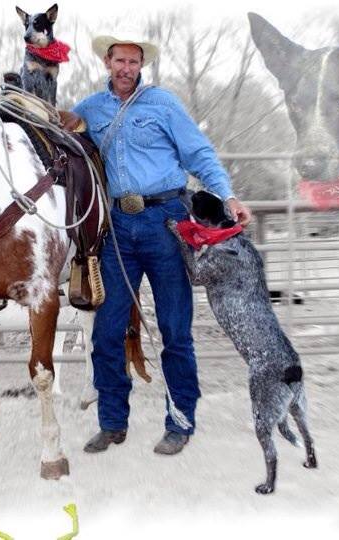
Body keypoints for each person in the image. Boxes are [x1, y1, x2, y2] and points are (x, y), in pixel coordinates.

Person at [65, 33, 252, 455]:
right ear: (107, 63)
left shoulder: (163, 104)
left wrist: (227, 195)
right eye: (119, 61)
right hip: (116, 226)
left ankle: (180, 421)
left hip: (166, 221)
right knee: (107, 331)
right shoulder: (89, 110)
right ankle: (112, 422)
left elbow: (199, 153)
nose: (126, 68)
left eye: (133, 61)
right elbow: (60, 140)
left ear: (141, 65)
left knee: (174, 328)